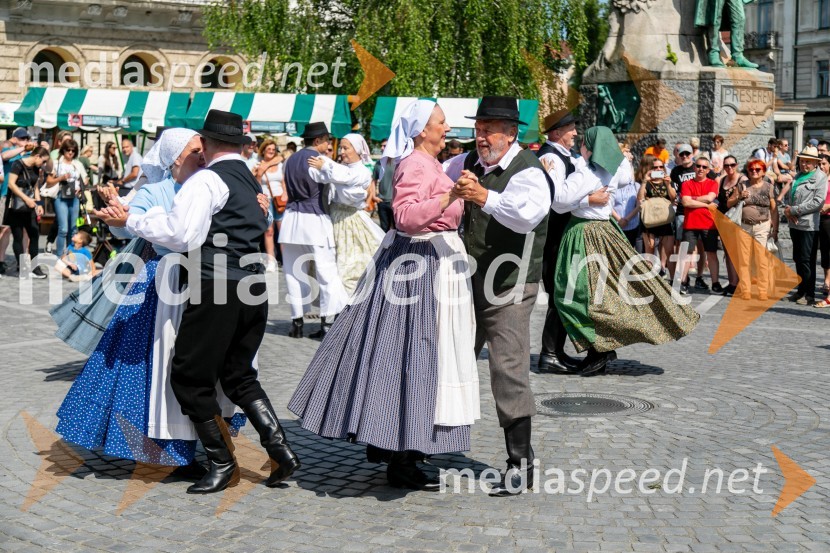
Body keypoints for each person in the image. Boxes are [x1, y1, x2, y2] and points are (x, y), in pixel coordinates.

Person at [99, 110, 301, 494]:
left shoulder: (208, 179)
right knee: (239, 374)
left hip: (217, 285)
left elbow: (180, 233)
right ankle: (281, 449)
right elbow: (257, 223)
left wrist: (132, 220)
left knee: (189, 376)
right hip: (253, 285)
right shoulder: (245, 177)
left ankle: (222, 463)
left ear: (207, 144)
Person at [289, 99, 478, 492]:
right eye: (440, 122)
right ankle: (401, 451)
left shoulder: (432, 164)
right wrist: (449, 197)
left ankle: (406, 445)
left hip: (434, 260)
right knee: (413, 353)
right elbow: (405, 216)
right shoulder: (414, 164)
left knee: (421, 355)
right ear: (421, 130)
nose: (446, 128)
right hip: (418, 265)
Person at [55, 129, 222, 479]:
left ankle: (192, 445)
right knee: (148, 369)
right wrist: (120, 212)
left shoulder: (210, 185)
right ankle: (164, 451)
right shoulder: (155, 190)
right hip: (159, 286)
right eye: (195, 150)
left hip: (204, 282)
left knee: (190, 367)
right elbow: (124, 229)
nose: (203, 154)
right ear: (175, 157)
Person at [450, 96, 551, 496]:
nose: (481, 135)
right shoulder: (467, 164)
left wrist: (481, 197)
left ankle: (520, 462)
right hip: (470, 279)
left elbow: (525, 215)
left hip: (511, 282)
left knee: (507, 368)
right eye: (478, 127)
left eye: (490, 127)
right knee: (449, 358)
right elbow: (436, 177)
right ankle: (423, 444)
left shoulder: (529, 171)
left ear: (512, 134)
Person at [551, 126, 699, 375]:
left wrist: (585, 199)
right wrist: (622, 157)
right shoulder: (609, 171)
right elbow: (627, 177)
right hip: (605, 233)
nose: (580, 146)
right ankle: (598, 349)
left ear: (590, 147)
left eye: (584, 143)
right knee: (605, 292)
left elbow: (559, 202)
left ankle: (598, 348)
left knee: (571, 293)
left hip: (584, 233)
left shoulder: (586, 174)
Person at [531, 108, 610, 374]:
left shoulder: (565, 156)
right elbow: (555, 201)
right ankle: (549, 354)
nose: (575, 133)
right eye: (571, 129)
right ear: (556, 132)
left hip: (563, 235)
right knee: (559, 294)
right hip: (553, 236)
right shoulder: (550, 158)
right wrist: (590, 200)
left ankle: (555, 352)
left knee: (564, 293)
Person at [281, 122, 348, 339]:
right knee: (326, 271)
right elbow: (340, 178)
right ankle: (327, 320)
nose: (329, 145)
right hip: (315, 218)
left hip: (291, 219)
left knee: (293, 272)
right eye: (327, 140)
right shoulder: (319, 161)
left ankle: (297, 321)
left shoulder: (290, 160)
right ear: (318, 141)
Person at [308, 133, 385, 295]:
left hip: (351, 220)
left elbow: (346, 178)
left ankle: (351, 305)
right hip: (334, 217)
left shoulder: (362, 171)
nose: (341, 151)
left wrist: (326, 165)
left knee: (352, 266)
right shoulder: (340, 169)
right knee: (332, 266)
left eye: (345, 147)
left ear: (357, 149)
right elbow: (325, 176)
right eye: (341, 148)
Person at [724, 158, 777, 301]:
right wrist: (740, 197)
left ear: (763, 172)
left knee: (761, 259)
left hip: (762, 225)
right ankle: (746, 290)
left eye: (757, 169)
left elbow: (774, 209)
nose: (754, 171)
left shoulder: (768, 187)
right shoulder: (742, 186)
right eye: (751, 169)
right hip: (744, 226)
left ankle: (762, 290)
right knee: (744, 259)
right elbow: (729, 203)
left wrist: (775, 230)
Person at [784, 146, 829, 305]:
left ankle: (809, 294)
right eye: (802, 161)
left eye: (808, 162)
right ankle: (801, 290)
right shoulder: (798, 176)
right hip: (794, 223)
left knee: (807, 260)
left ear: (815, 163)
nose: (804, 164)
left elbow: (817, 203)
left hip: (809, 225)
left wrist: (794, 210)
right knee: (797, 258)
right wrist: (788, 211)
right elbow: (790, 197)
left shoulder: (820, 177)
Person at [679, 155, 722, 294]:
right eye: (698, 166)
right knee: (687, 254)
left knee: (711, 253)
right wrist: (704, 203)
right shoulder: (686, 183)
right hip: (690, 223)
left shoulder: (712, 183)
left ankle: (715, 283)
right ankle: (684, 282)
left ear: (708, 169)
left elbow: (710, 198)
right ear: (694, 167)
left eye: (704, 167)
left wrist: (693, 199)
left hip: (708, 224)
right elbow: (685, 202)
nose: (700, 169)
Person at [3, 146, 49, 279]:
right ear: (37, 156)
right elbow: (11, 184)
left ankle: (35, 267)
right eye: (43, 161)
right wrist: (27, 199)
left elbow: (35, 186)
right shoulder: (18, 164)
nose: (43, 164)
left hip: (30, 206)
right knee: (18, 236)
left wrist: (39, 204)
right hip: (16, 206)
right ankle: (22, 268)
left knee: (34, 234)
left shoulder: (36, 167)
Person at [44, 139, 87, 257]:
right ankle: (59, 257)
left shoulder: (78, 164)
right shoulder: (57, 163)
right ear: (63, 150)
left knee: (73, 230)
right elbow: (49, 181)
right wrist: (61, 178)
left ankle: (70, 256)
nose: (71, 153)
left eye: (73, 150)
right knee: (63, 229)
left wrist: (81, 186)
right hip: (60, 196)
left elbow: (85, 179)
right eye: (68, 150)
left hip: (74, 196)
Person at [638, 156, 676, 276]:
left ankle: (674, 281)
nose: (658, 169)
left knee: (670, 251)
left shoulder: (668, 181)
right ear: (650, 169)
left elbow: (673, 198)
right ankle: (650, 281)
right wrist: (644, 181)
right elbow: (639, 199)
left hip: (665, 220)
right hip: (650, 220)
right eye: (655, 167)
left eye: (661, 167)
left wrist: (668, 184)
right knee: (649, 252)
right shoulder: (647, 183)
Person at [715, 155, 748, 296]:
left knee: (738, 254)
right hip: (724, 221)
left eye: (732, 165)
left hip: (737, 221)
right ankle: (732, 283)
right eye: (726, 165)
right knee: (728, 253)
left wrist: (739, 197)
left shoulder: (743, 180)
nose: (729, 168)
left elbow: (744, 198)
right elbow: (718, 199)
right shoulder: (721, 180)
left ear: (737, 165)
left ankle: (740, 283)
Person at [254, 139, 285, 272]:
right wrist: (260, 172)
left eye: (273, 149)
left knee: (283, 231)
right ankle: (271, 260)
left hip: (280, 199)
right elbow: (256, 184)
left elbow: (284, 182)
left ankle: (285, 259)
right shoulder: (258, 165)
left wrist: (286, 194)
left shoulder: (280, 164)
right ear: (263, 151)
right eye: (269, 149)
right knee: (269, 231)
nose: (271, 151)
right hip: (267, 199)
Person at [814, 154, 830, 307]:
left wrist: (828, 206)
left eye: (824, 164)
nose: (821, 167)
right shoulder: (818, 179)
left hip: (829, 217)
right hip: (820, 219)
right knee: (824, 251)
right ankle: (826, 280)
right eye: (819, 164)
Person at [371, 138, 395, 232]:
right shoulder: (378, 164)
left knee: (397, 230)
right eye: (381, 145)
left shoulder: (397, 162)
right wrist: (374, 196)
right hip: (382, 201)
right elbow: (373, 181)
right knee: (383, 230)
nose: (382, 148)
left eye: (384, 146)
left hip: (394, 202)